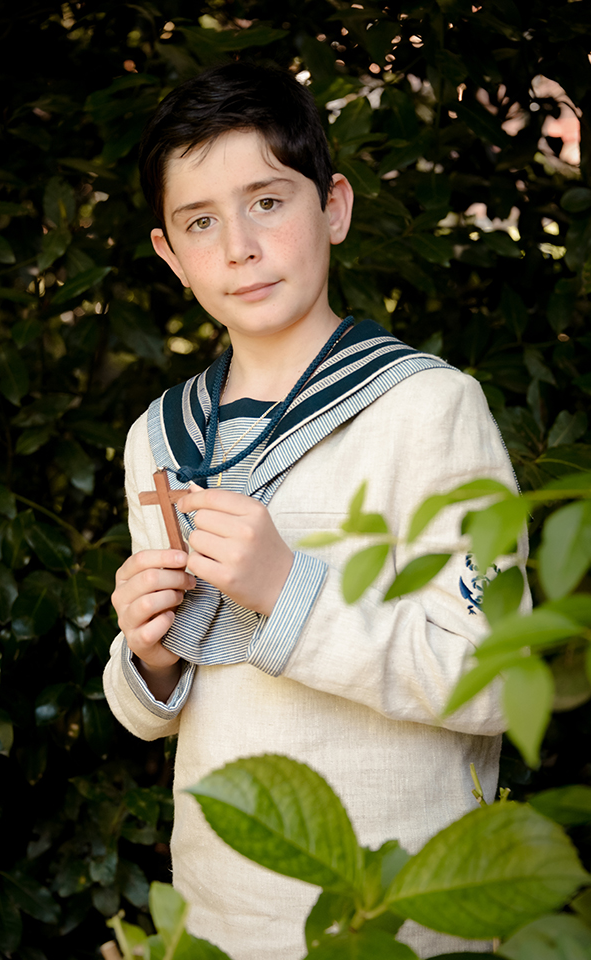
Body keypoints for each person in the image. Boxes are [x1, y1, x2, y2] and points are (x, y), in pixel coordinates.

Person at [103, 61, 526, 960]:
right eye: (201, 221)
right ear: (169, 256)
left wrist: (288, 590)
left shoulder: (426, 409)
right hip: (219, 915)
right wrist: (147, 657)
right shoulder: (158, 437)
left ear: (332, 207)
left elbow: (497, 682)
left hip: (400, 914)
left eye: (267, 201)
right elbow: (155, 711)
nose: (239, 247)